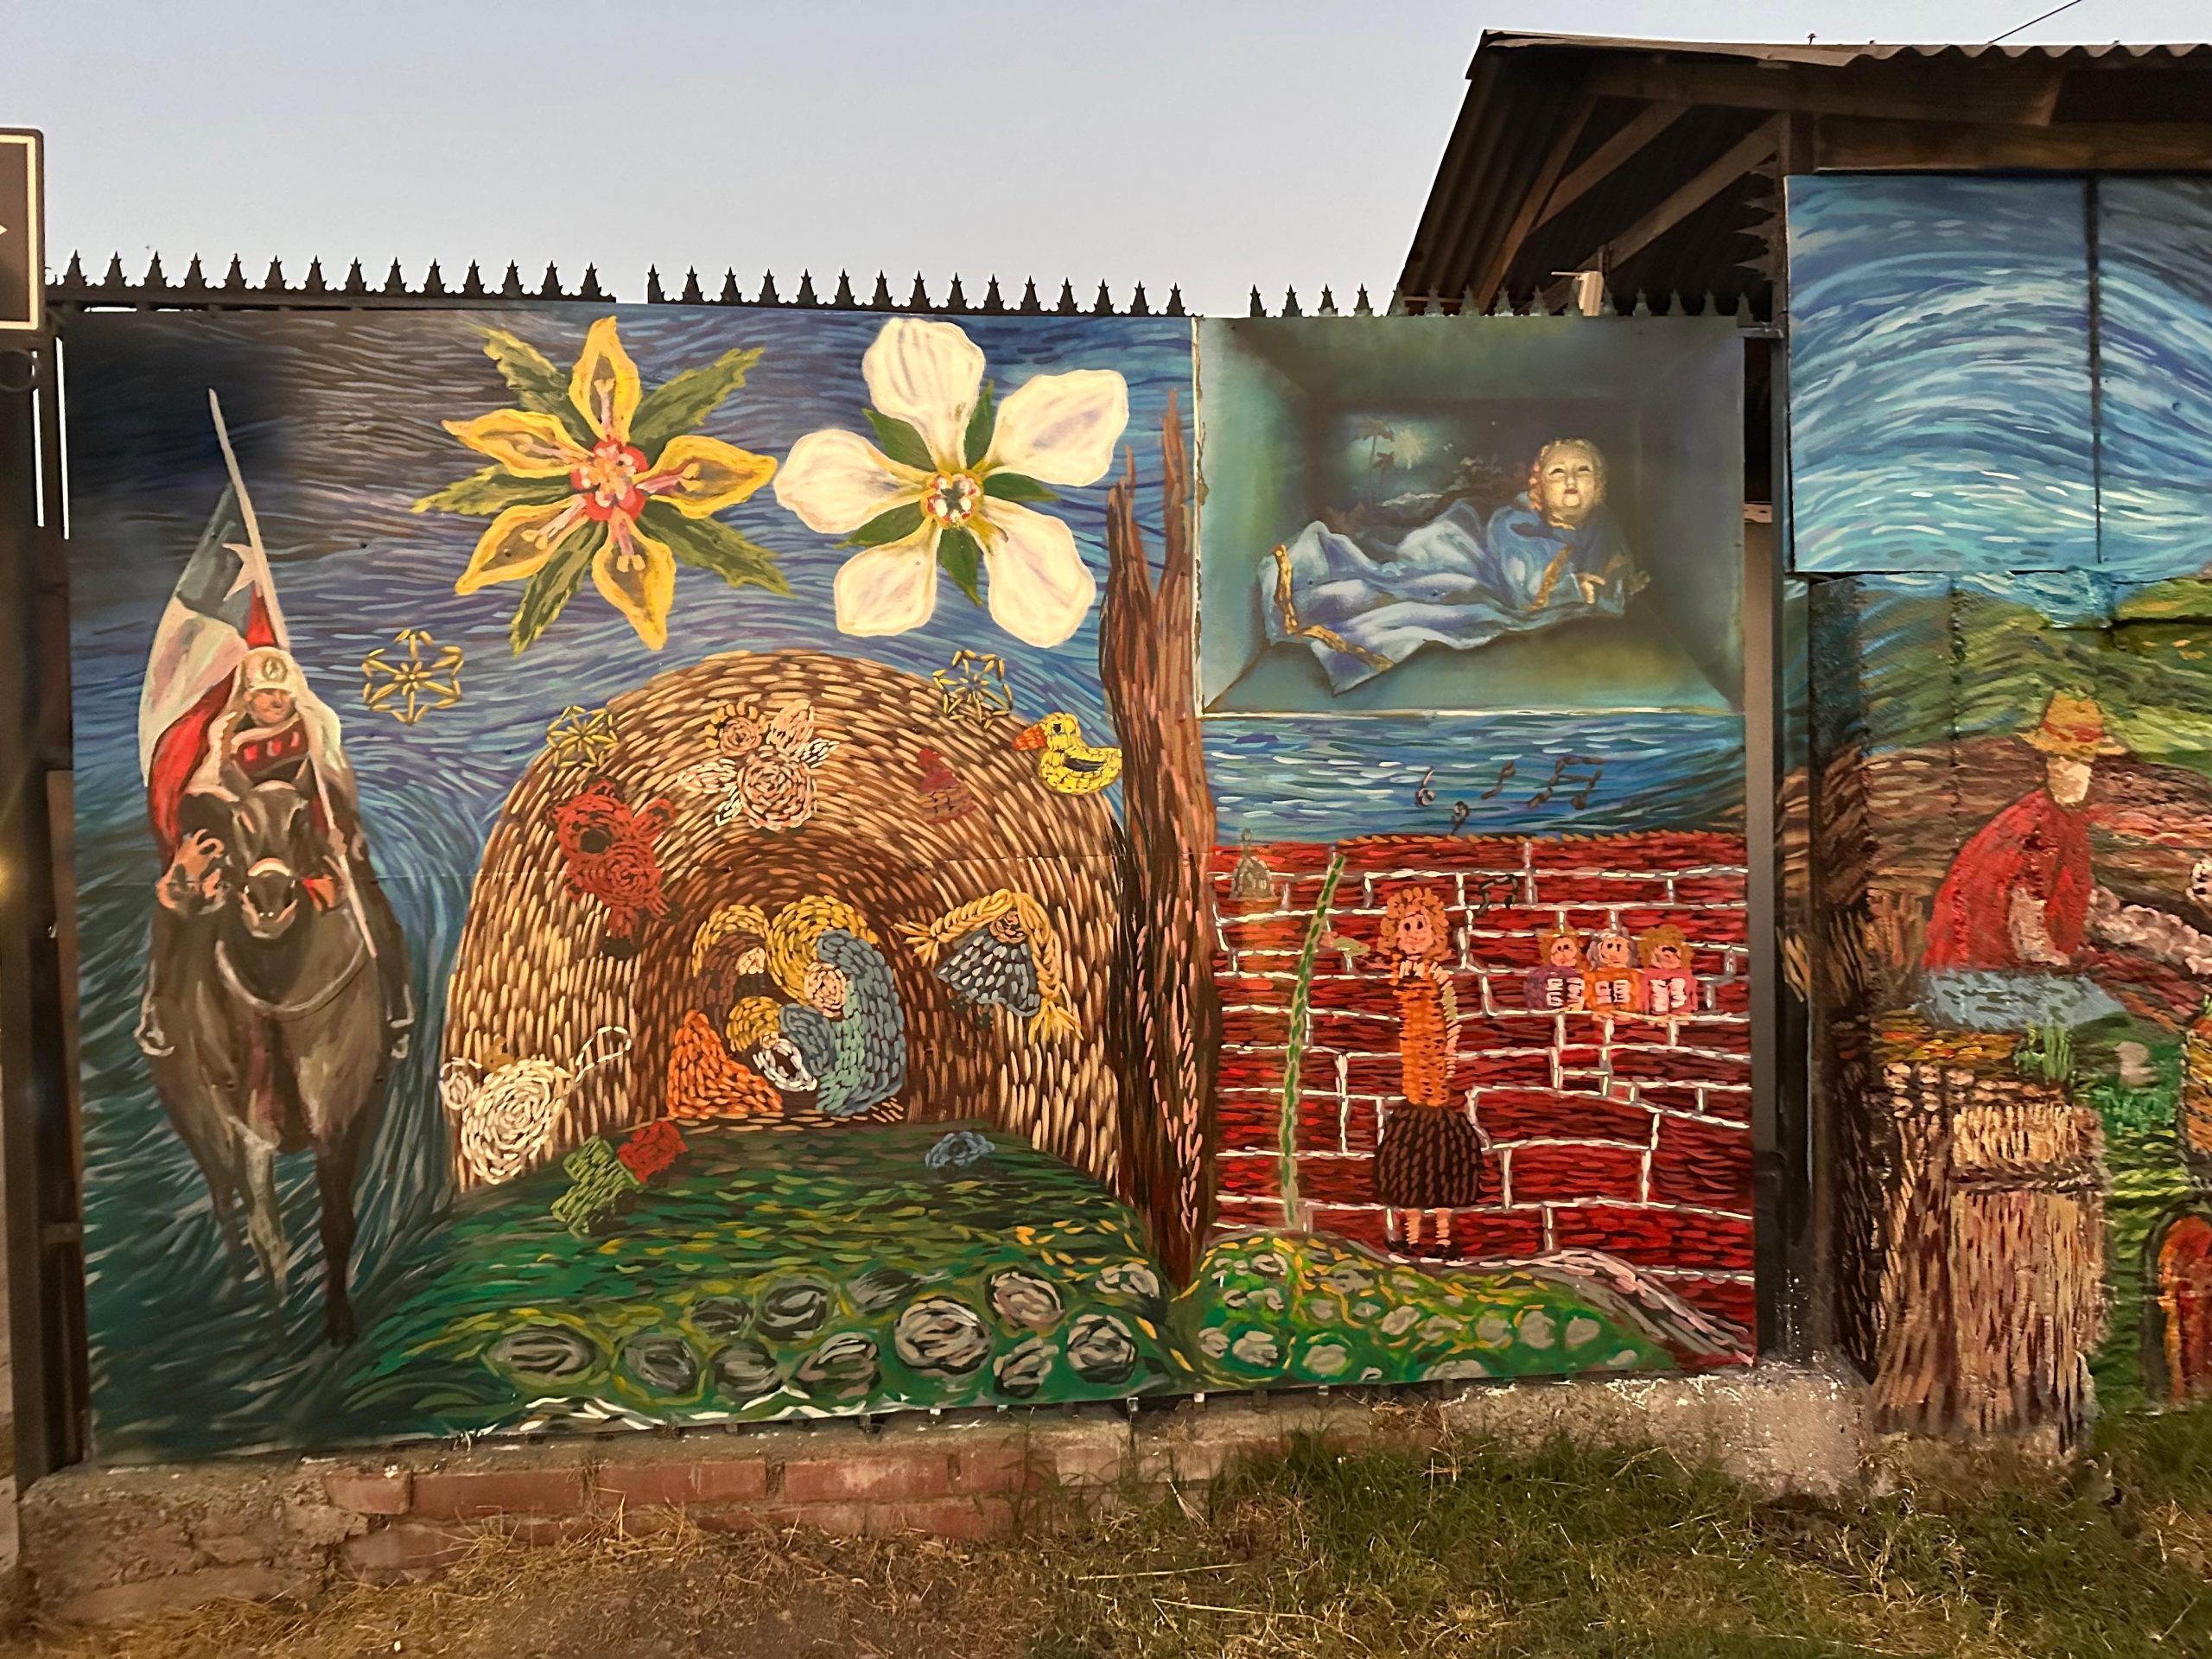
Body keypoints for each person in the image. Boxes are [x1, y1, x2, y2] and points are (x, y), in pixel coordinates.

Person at [140, 646, 410, 1058]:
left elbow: (336, 789)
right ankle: (160, 1008)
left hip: (305, 842)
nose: (276, 701)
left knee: (366, 894)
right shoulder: (226, 735)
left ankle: (395, 1008)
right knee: (182, 901)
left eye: (282, 691)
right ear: (248, 697)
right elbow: (201, 797)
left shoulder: (316, 729)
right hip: (241, 846)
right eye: (265, 692)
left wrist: (340, 831)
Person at [1921, 691, 2212, 1031]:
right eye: (2061, 759)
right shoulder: (2036, 827)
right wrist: (2078, 962)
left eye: (2082, 761)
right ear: (2048, 762)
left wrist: (2181, 947)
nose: (2070, 771)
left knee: (2156, 987)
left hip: (1991, 979)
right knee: (2125, 1017)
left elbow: (2087, 905)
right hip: (1975, 987)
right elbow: (2029, 935)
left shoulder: (2066, 821)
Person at [1261, 437, 1642, 695]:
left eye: (1583, 471)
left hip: (1489, 566)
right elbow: (1524, 589)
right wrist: (1573, 588)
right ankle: (1324, 568)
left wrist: (1611, 586)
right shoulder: (1517, 521)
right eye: (1558, 472)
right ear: (1539, 485)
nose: (1571, 480)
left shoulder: (1600, 521)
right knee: (1401, 584)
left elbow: (1612, 570)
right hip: (1468, 556)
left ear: (1599, 485)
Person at [1370, 887, 1484, 1254]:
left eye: (1421, 926)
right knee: (1410, 1167)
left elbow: (1452, 1018)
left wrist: (1448, 1053)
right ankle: (1412, 1236)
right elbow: (1364, 956)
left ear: (1435, 933)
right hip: (1412, 1079)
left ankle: (1444, 1237)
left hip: (1436, 1079)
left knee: (1440, 1166)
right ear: (1395, 934)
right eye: (1407, 927)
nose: (1414, 934)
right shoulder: (1398, 972)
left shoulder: (1438, 977)